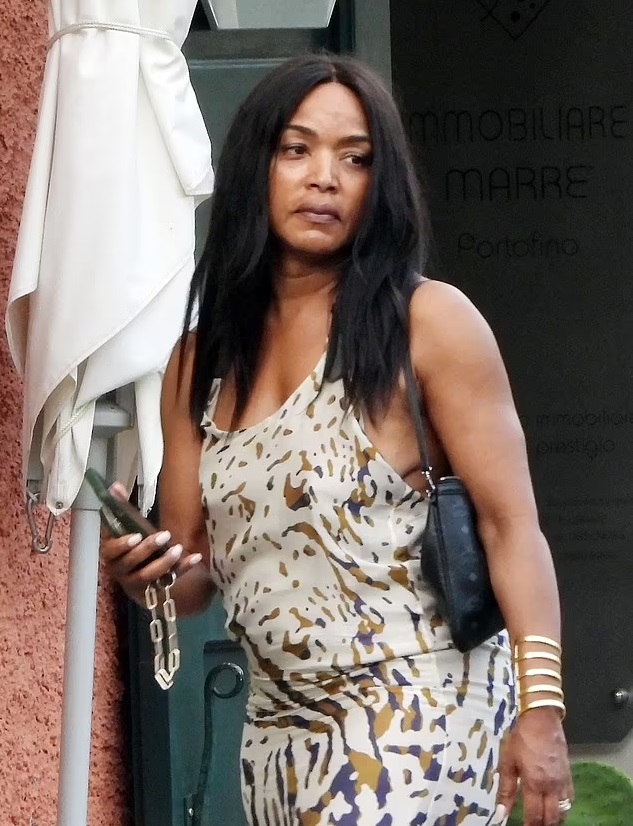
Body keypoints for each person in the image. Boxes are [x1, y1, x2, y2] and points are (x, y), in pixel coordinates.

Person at [100, 54, 573, 825]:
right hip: (275, 731)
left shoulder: (429, 323)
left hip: (418, 702)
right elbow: (194, 580)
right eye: (297, 149)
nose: (324, 178)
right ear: (254, 165)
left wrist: (542, 709)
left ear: (379, 186)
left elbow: (509, 526)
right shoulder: (199, 361)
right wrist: (143, 570)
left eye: (355, 159)